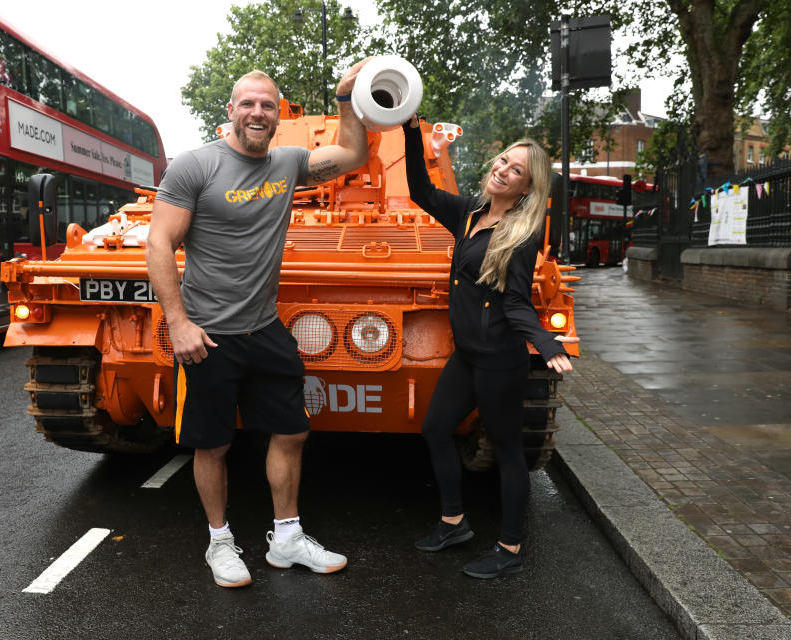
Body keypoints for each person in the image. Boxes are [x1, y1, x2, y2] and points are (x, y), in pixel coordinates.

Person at [145, 61, 372, 588]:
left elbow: (355, 153)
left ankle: (287, 538)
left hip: (265, 329)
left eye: (267, 105)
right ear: (230, 111)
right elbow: (159, 243)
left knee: (292, 430)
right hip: (208, 333)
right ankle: (220, 542)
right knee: (213, 444)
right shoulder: (196, 167)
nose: (257, 112)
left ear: (278, 116)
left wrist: (344, 98)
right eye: (247, 103)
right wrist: (177, 322)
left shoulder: (289, 163)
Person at [402, 115, 579, 579]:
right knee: (436, 430)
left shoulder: (519, 235)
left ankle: (511, 546)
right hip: (468, 354)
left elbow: (518, 303)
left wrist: (543, 340)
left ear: (526, 187)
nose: (503, 169)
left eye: (516, 169)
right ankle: (453, 521)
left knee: (507, 452)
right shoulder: (470, 212)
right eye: (503, 160)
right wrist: (409, 132)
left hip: (501, 360)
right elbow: (420, 191)